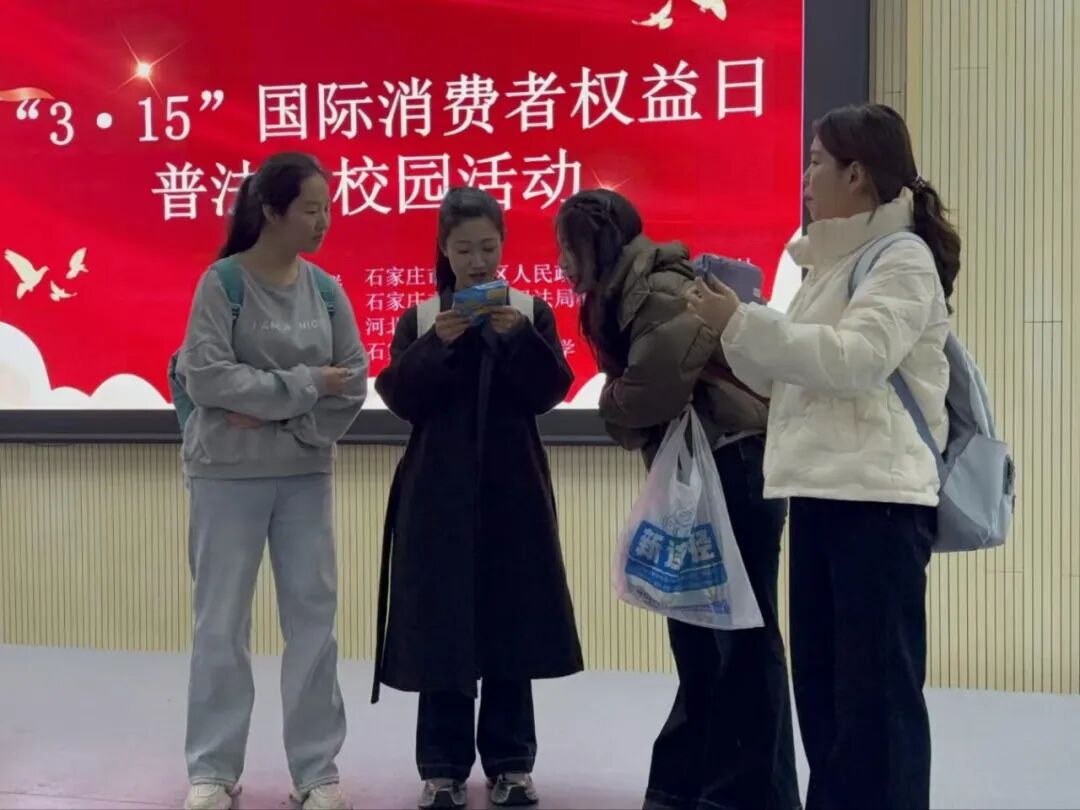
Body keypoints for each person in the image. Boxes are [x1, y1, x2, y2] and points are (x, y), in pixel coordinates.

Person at [687, 103, 958, 810]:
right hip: (817, 490)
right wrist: (732, 330)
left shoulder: (901, 258)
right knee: (825, 699)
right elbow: (789, 374)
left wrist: (744, 322)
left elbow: (854, 360)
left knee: (877, 708)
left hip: (879, 503)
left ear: (857, 173)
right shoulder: (825, 263)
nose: (805, 178)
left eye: (815, 162)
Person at [555, 189, 799, 810]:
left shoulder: (658, 290)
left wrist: (609, 400)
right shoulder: (628, 293)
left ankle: (749, 794)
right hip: (708, 475)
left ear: (599, 244)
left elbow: (651, 393)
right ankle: (696, 786)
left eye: (569, 248)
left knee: (740, 639)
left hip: (733, 470)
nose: (562, 263)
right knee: (701, 636)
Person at [372, 187, 583, 810]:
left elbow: (551, 391)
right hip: (436, 493)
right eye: (464, 249)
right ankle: (441, 769)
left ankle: (512, 764)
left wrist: (519, 339)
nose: (477, 261)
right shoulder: (419, 318)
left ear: (503, 245)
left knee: (512, 624)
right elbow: (399, 397)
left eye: (488, 247)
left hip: (514, 490)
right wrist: (436, 346)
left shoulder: (530, 310)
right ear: (444, 249)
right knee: (442, 627)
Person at [175, 152, 367, 810]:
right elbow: (206, 377)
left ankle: (316, 773)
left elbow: (353, 382)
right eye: (311, 209)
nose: (323, 221)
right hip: (226, 475)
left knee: (314, 623)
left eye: (327, 208)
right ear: (271, 211)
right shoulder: (222, 283)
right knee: (220, 623)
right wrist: (306, 385)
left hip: (304, 474)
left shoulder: (327, 291)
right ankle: (212, 769)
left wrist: (276, 413)